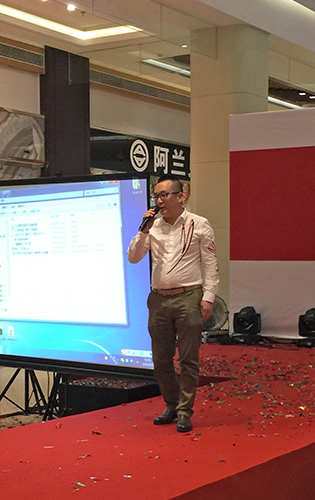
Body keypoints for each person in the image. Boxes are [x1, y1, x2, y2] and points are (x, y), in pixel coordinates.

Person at [127, 174, 219, 433]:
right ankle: (172, 405)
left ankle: (185, 411)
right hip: (158, 299)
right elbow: (133, 257)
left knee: (189, 358)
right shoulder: (152, 227)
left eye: (164, 195)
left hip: (189, 296)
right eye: (156, 196)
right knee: (160, 359)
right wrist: (143, 230)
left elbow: (210, 264)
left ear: (181, 196)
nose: (159, 201)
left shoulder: (198, 224)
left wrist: (208, 297)